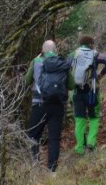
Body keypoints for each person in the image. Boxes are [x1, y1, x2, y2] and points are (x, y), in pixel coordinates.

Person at [25, 40, 71, 171]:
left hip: (39, 104)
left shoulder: (36, 61)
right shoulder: (62, 63)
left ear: (42, 50)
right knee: (54, 138)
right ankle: (52, 170)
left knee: (33, 136)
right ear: (55, 50)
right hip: (57, 106)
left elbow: (26, 81)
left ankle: (35, 165)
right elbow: (71, 85)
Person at [70, 34, 106, 154]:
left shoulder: (73, 54)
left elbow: (66, 69)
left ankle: (79, 148)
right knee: (94, 118)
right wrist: (100, 75)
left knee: (79, 120)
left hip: (77, 92)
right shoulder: (95, 54)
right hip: (92, 91)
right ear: (90, 44)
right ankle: (91, 143)